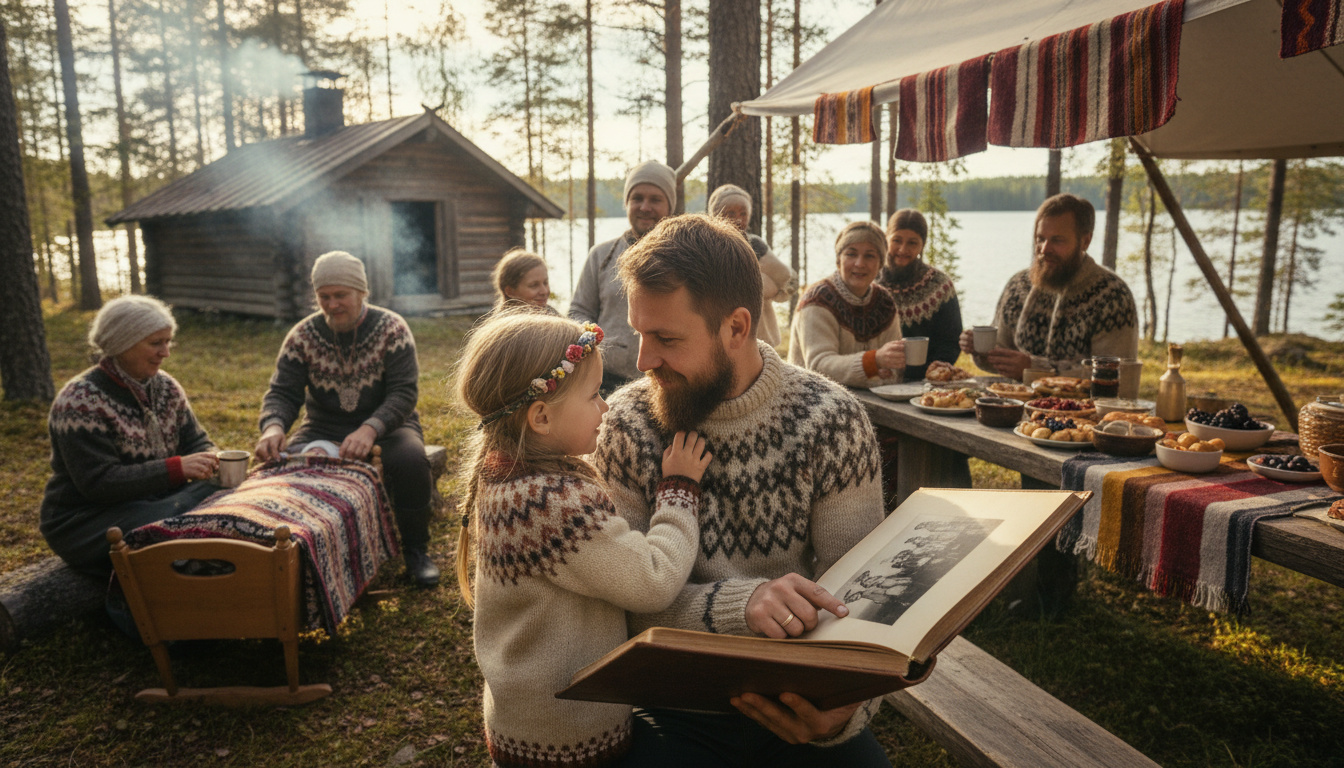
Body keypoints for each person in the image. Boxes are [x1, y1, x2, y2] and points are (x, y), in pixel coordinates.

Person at [596, 214, 891, 766]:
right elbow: (614, 608)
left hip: (799, 698)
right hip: (671, 705)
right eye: (639, 335)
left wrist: (847, 712)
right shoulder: (625, 425)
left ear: (736, 327)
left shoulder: (832, 421)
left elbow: (863, 598)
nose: (642, 361)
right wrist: (739, 606)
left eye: (666, 338)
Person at [454, 313, 711, 768]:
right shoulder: (550, 502)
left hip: (524, 723)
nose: (606, 408)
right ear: (541, 416)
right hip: (569, 738)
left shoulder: (505, 475)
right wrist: (678, 491)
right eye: (594, 395)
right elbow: (652, 581)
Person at [255, 251, 440, 587]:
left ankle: (416, 551)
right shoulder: (302, 336)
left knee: (411, 461)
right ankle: (302, 552)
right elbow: (283, 392)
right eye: (324, 297)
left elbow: (403, 393)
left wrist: (370, 429)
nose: (332, 304)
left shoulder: (392, 328)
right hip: (324, 425)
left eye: (341, 295)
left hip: (388, 426)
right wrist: (273, 426)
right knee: (286, 469)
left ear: (361, 292)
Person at [40, 295, 221, 574]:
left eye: (168, 341)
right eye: (155, 343)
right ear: (122, 344)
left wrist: (214, 460)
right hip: (87, 520)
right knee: (175, 513)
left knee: (221, 488)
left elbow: (196, 441)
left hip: (154, 503)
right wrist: (176, 469)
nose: (166, 352)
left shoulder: (166, 388)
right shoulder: (80, 402)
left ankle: (192, 550)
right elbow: (99, 482)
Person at [961, 194, 1139, 380]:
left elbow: (1117, 375)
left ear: (1085, 241)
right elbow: (1002, 356)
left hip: (1085, 408)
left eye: (1057, 240)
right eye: (1040, 239)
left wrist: (1035, 370)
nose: (1044, 249)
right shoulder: (1018, 286)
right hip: (1013, 404)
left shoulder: (1112, 296)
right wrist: (980, 349)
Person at [570, 160, 676, 392]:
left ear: (669, 206)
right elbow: (579, 311)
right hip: (603, 383)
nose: (645, 207)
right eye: (637, 198)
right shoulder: (601, 256)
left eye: (655, 199)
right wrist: (595, 342)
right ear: (626, 203)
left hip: (664, 383)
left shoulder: (682, 257)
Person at [788, 220, 907, 388]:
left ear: (880, 264)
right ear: (838, 260)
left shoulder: (884, 302)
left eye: (870, 255)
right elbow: (818, 366)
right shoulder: (817, 300)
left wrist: (884, 368)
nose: (859, 263)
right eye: (851, 254)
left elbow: (893, 368)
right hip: (811, 402)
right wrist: (874, 361)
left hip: (873, 403)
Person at [877, 208, 964, 381]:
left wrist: (933, 372)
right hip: (874, 380)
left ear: (922, 245)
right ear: (886, 238)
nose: (903, 249)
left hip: (924, 384)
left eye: (912, 243)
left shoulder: (939, 285)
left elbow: (950, 340)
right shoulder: (869, 282)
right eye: (897, 240)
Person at [707, 183, 797, 347]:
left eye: (743, 213)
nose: (738, 219)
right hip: (719, 334)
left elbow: (785, 278)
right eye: (731, 213)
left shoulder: (755, 245)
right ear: (715, 214)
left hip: (761, 335)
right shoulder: (708, 247)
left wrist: (765, 287)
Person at [490, 247, 558, 314]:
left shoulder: (556, 320)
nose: (544, 291)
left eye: (545, 283)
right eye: (534, 285)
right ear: (510, 291)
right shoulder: (503, 324)